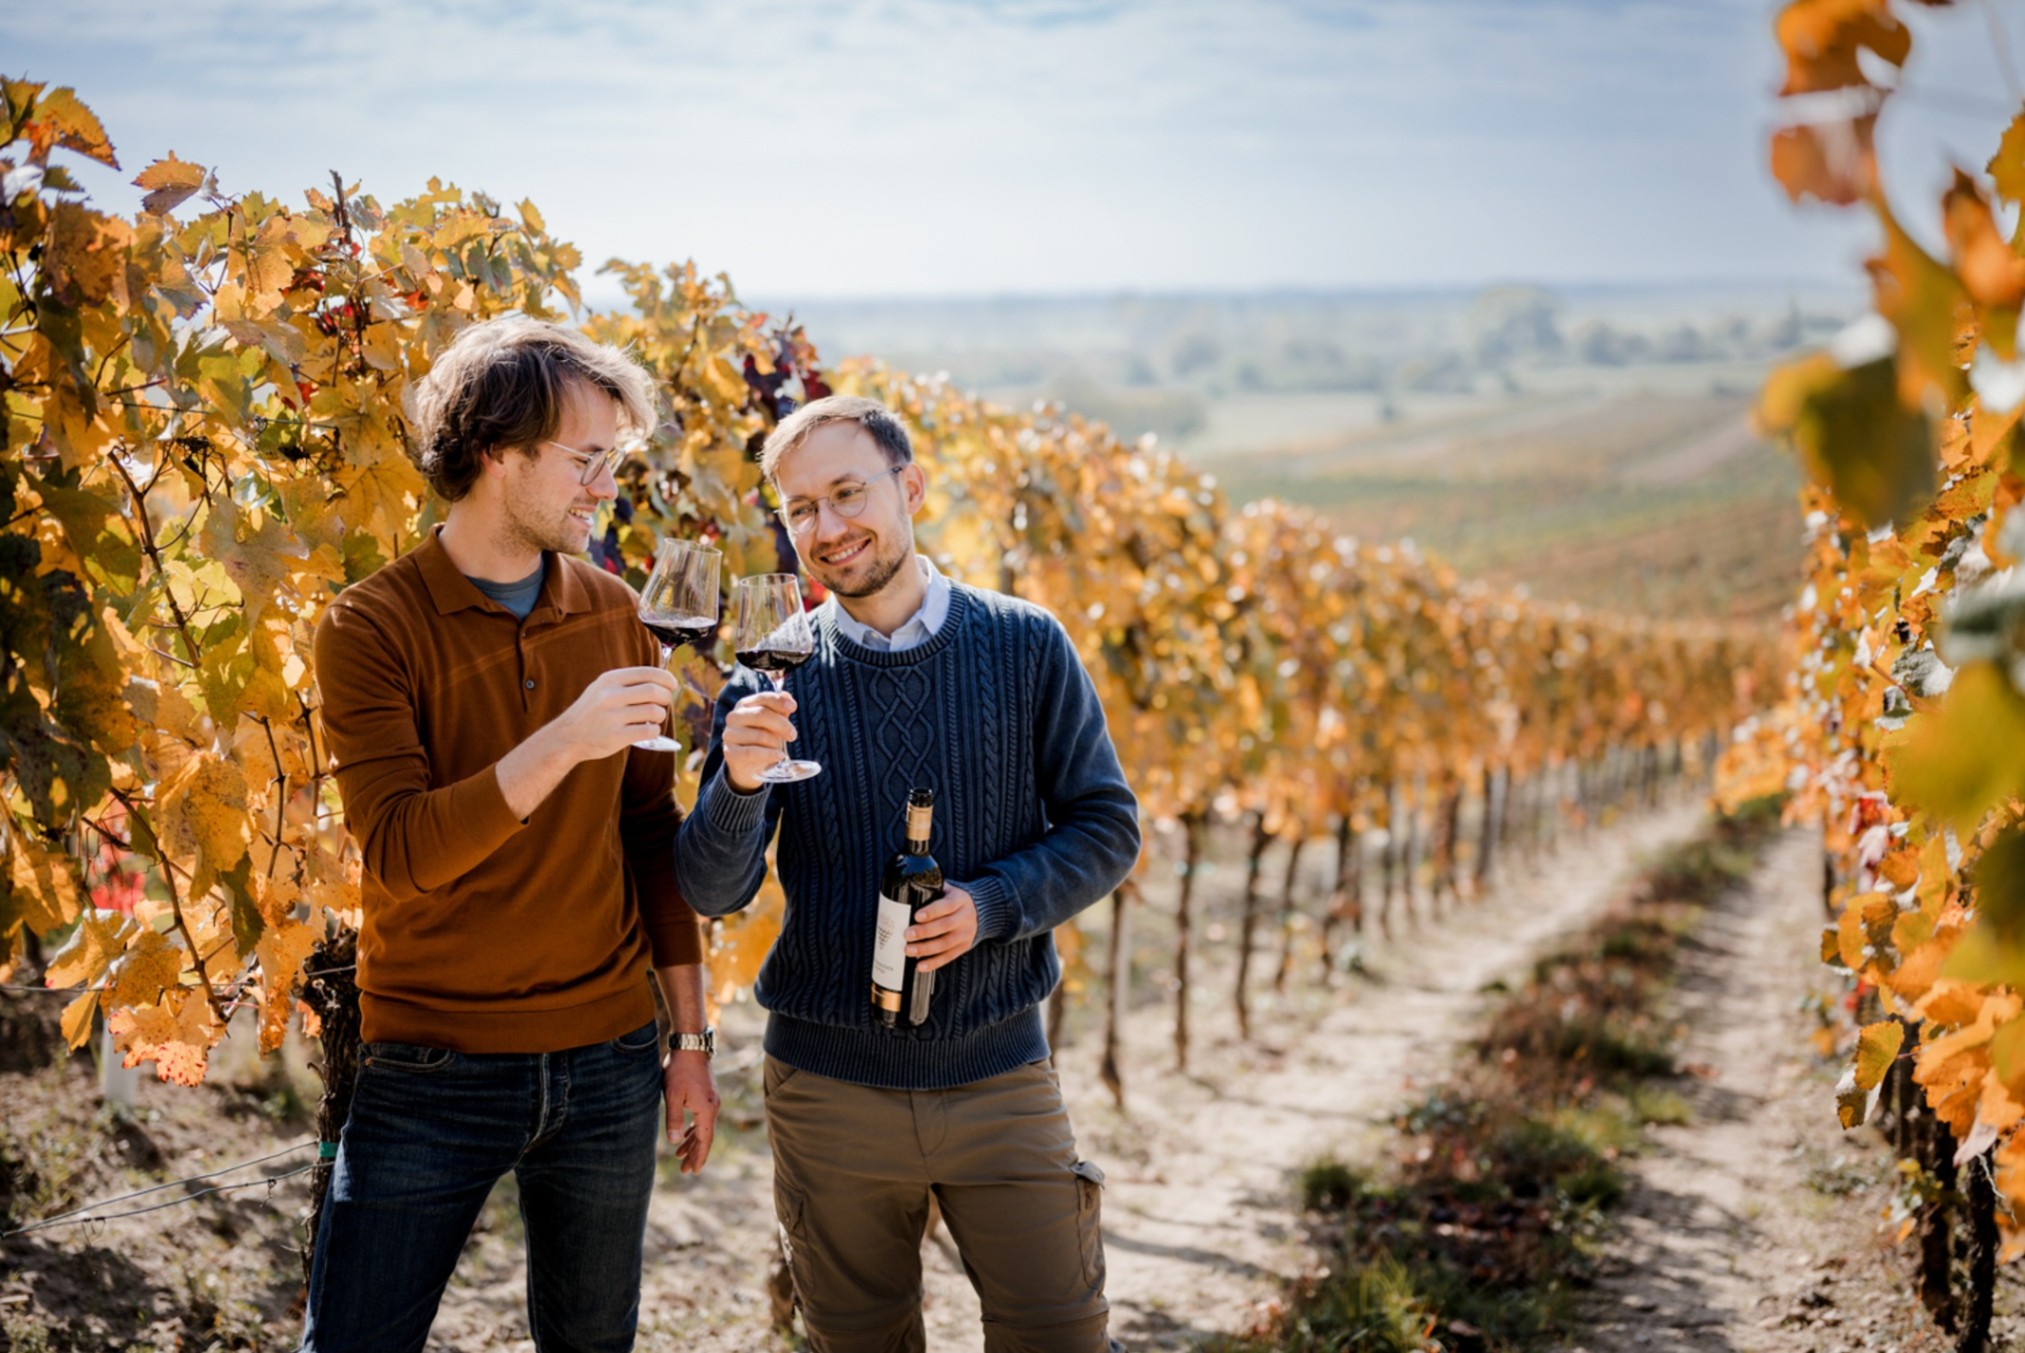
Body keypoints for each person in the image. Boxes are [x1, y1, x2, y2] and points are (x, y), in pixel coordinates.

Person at [676, 394, 1141, 1353]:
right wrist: (737, 778)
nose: (828, 527)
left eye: (848, 492)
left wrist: (993, 903)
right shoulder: (767, 679)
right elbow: (710, 890)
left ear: (911, 487)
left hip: (998, 1074)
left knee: (1061, 1335)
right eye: (801, 508)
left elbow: (1107, 826)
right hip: (827, 1088)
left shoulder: (1024, 646)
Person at [304, 316, 719, 1353]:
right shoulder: (371, 627)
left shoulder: (618, 611)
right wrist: (566, 738)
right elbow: (400, 854)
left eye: (612, 463)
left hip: (610, 1064)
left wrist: (691, 1043)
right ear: (499, 450)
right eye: (586, 461)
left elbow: (648, 836)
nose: (603, 488)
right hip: (433, 1069)